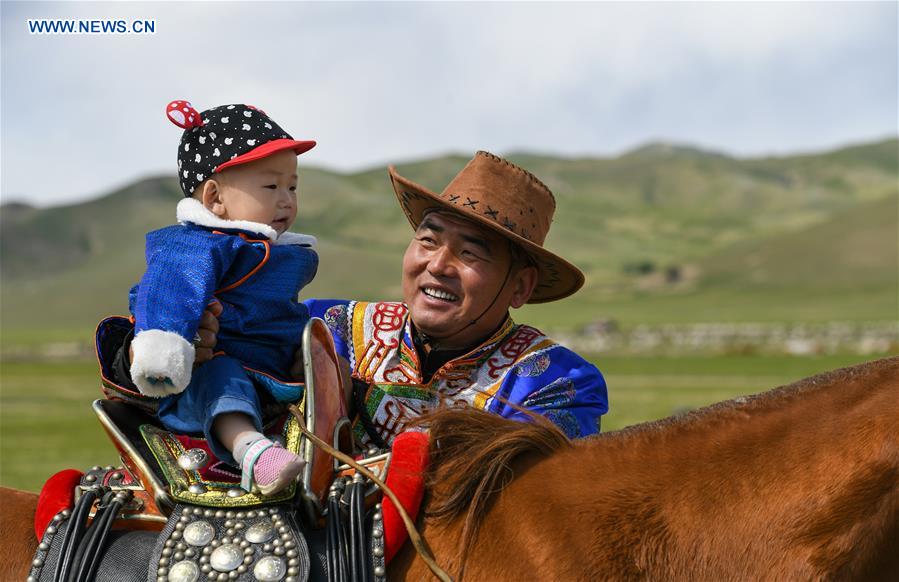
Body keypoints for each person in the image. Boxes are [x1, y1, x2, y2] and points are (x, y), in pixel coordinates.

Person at [108, 151, 608, 449]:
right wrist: (185, 348)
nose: (437, 265)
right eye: (428, 240)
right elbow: (209, 371)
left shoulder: (559, 382)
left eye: (470, 253)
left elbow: (519, 494)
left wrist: (354, 399)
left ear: (520, 287)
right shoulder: (326, 326)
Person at [127, 99, 318, 495]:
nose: (286, 198)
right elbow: (170, 289)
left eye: (293, 186)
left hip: (270, 372)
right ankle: (253, 452)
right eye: (272, 186)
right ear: (214, 198)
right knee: (222, 378)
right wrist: (163, 349)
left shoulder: (280, 254)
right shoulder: (198, 245)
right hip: (209, 378)